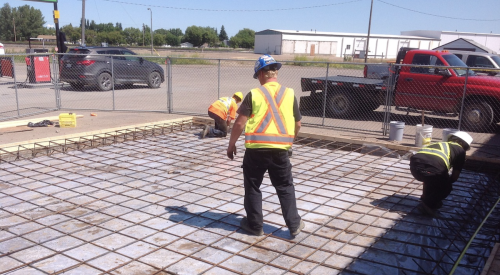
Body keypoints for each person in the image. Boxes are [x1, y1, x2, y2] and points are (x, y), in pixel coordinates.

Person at [226, 54, 304, 236]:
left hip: (256, 151)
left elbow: (239, 123)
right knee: (285, 187)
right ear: (275, 73)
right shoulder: (289, 93)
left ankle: (255, 226)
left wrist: (231, 145)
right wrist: (289, 142)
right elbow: (298, 124)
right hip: (280, 152)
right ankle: (294, 225)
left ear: (261, 74)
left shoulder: (254, 94)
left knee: (253, 187)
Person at [409, 131, 473, 215]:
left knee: (432, 178)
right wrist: (445, 183)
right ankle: (427, 205)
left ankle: (426, 198)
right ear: (463, 144)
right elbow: (454, 177)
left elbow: (428, 177)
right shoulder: (460, 151)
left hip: (414, 168)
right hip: (432, 169)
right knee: (445, 187)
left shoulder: (439, 144)